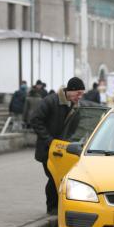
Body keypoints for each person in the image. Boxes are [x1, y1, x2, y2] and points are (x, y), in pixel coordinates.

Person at [31, 77, 85, 215]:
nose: (80, 96)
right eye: (78, 93)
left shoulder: (75, 105)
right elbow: (35, 120)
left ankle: (60, 207)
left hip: (64, 150)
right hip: (48, 149)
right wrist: (49, 140)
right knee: (53, 176)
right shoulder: (51, 101)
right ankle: (52, 208)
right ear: (70, 91)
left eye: (82, 94)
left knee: (63, 178)